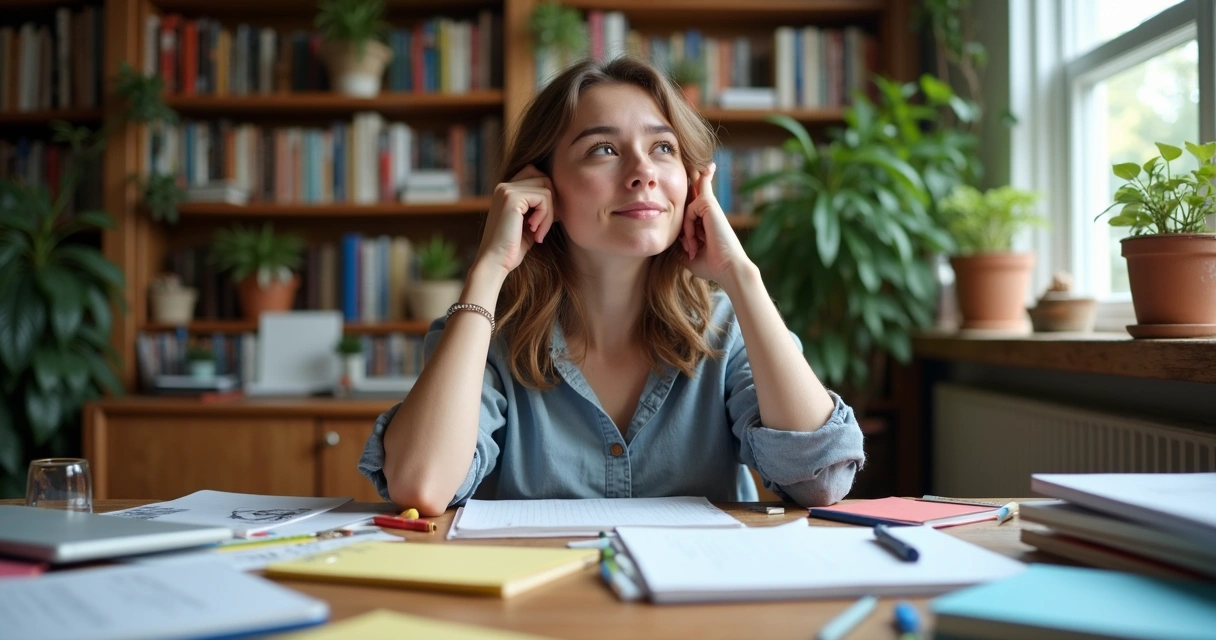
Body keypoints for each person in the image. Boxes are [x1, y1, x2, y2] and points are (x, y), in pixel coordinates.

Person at [360, 57, 865, 516]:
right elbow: (422, 486)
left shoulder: (727, 330)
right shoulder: (484, 336)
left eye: (663, 148)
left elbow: (819, 481)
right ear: (540, 185)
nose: (643, 171)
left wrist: (742, 276)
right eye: (603, 149)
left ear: (691, 182)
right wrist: (491, 267)